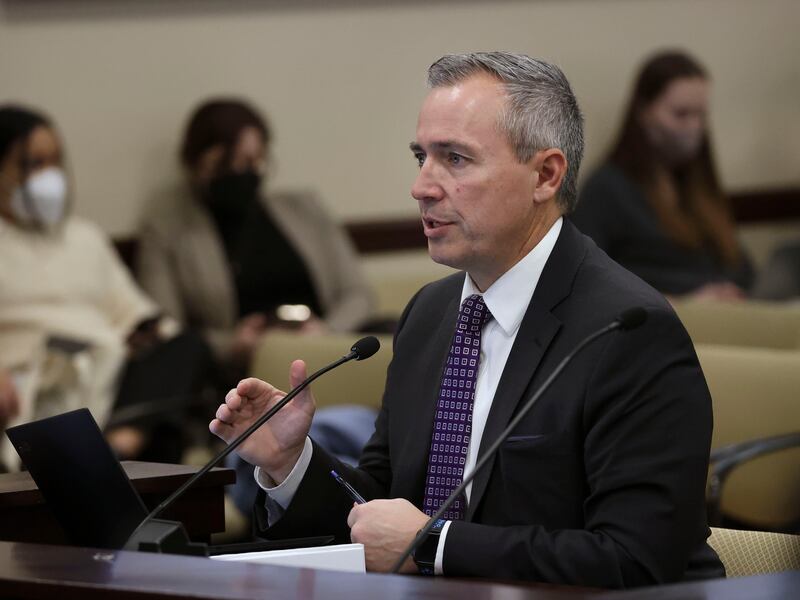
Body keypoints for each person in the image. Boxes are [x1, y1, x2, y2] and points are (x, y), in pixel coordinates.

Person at [210, 53, 724, 588]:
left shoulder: (626, 331)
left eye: (455, 159)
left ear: (545, 175)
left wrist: (433, 545)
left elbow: (633, 560)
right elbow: (382, 510)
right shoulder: (430, 314)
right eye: (421, 157)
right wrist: (292, 463)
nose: (422, 187)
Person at [0, 105, 213, 468]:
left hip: (106, 377)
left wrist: (145, 333)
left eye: (55, 162)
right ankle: (110, 454)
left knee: (188, 346)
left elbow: (136, 313)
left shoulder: (84, 237)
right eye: (34, 163)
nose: (49, 177)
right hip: (30, 382)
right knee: (162, 432)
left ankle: (118, 445)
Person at [137, 99, 375, 378]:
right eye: (227, 164)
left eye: (253, 161)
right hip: (242, 371)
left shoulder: (304, 209)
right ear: (196, 161)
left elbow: (358, 294)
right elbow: (168, 330)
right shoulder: (169, 226)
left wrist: (325, 333)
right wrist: (232, 345)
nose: (242, 174)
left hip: (325, 351)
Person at [572, 51, 753, 300]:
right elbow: (586, 281)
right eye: (681, 114)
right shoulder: (608, 187)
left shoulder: (697, 185)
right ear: (644, 113)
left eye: (701, 114)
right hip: (660, 323)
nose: (695, 127)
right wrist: (685, 302)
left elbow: (741, 266)